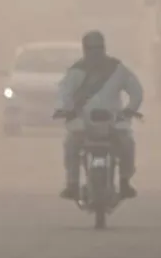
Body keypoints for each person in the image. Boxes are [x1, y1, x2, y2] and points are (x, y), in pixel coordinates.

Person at [54, 30, 144, 200]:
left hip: (114, 122)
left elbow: (136, 92)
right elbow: (64, 94)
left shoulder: (117, 69)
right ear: (85, 49)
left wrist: (129, 110)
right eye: (91, 48)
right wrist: (67, 110)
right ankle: (72, 184)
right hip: (83, 122)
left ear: (103, 48)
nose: (94, 52)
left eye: (97, 48)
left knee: (127, 145)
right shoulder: (76, 72)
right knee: (71, 145)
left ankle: (125, 182)